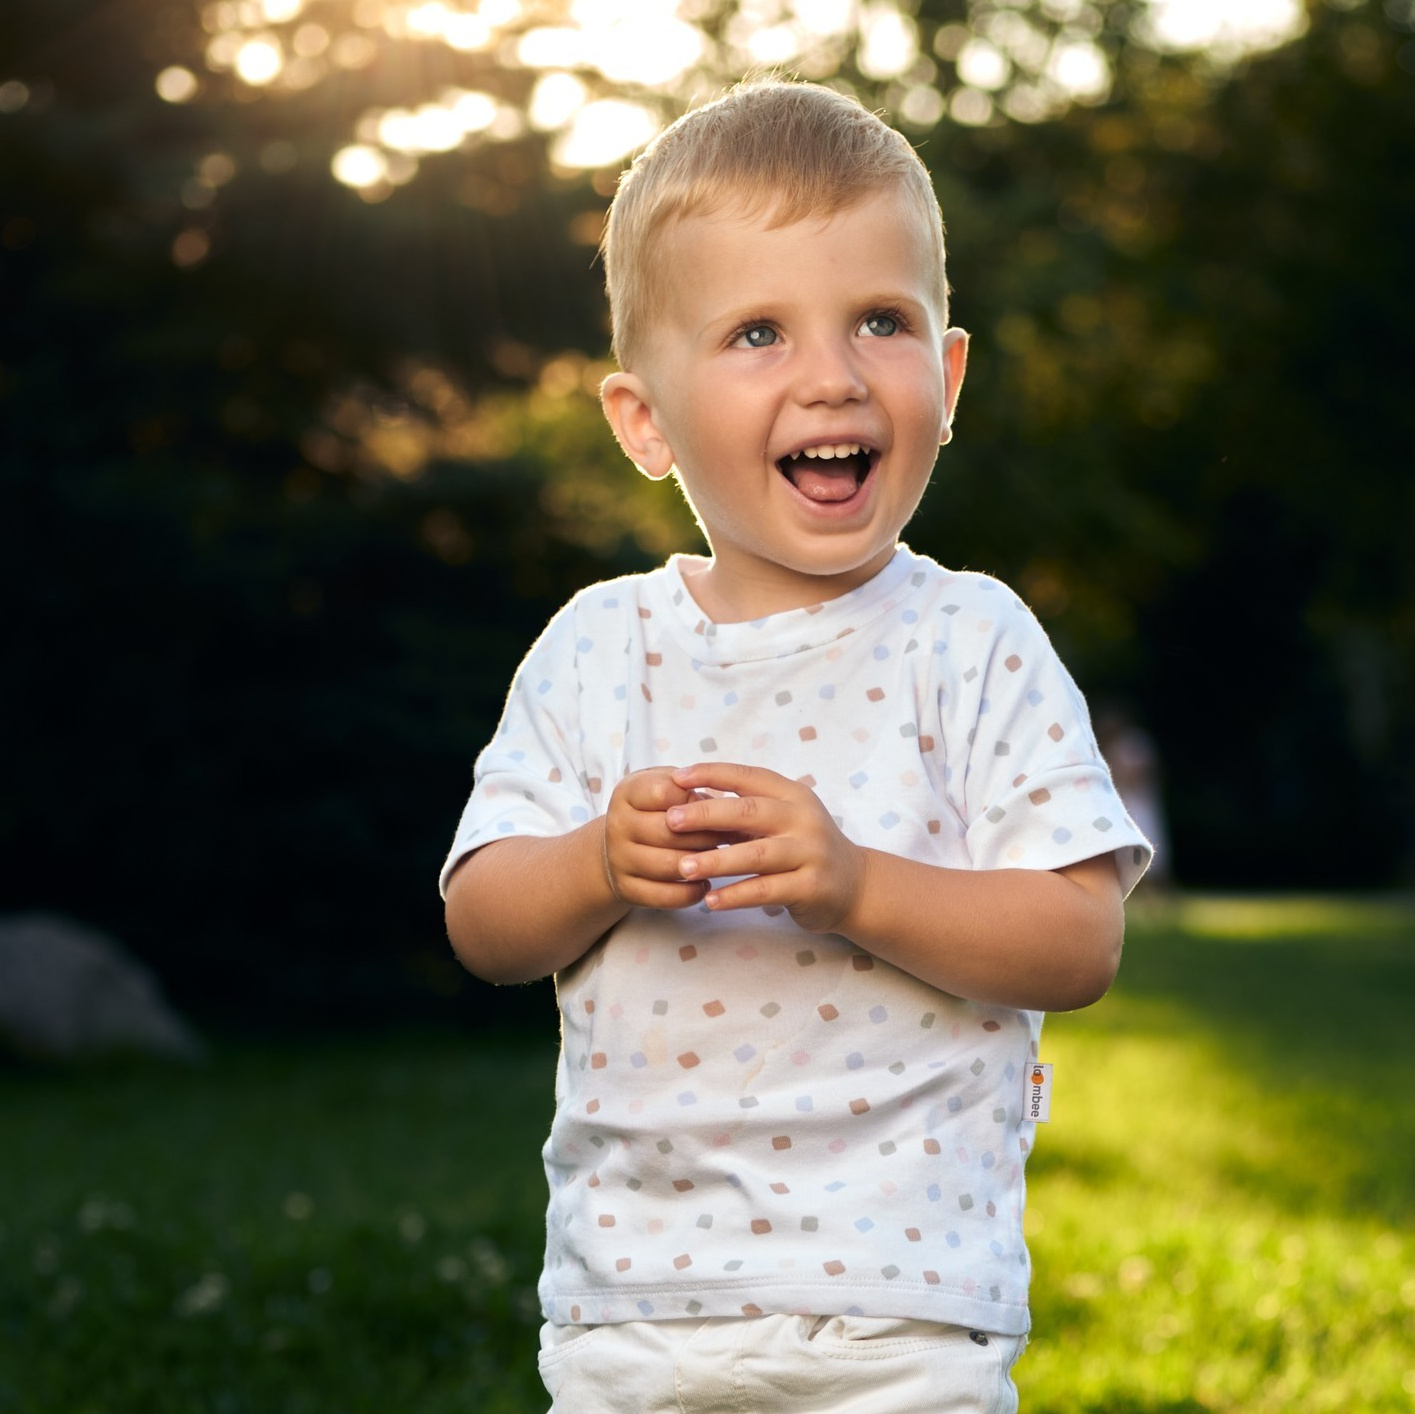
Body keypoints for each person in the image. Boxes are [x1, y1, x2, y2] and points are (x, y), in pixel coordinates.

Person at [442, 79, 1152, 1414]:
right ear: (645, 421)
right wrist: (596, 864)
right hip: (636, 1305)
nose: (833, 374)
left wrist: (857, 884)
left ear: (947, 377)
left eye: (881, 320)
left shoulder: (971, 639)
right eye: (758, 332)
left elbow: (1080, 941)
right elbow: (483, 921)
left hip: (903, 1311)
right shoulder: (599, 650)